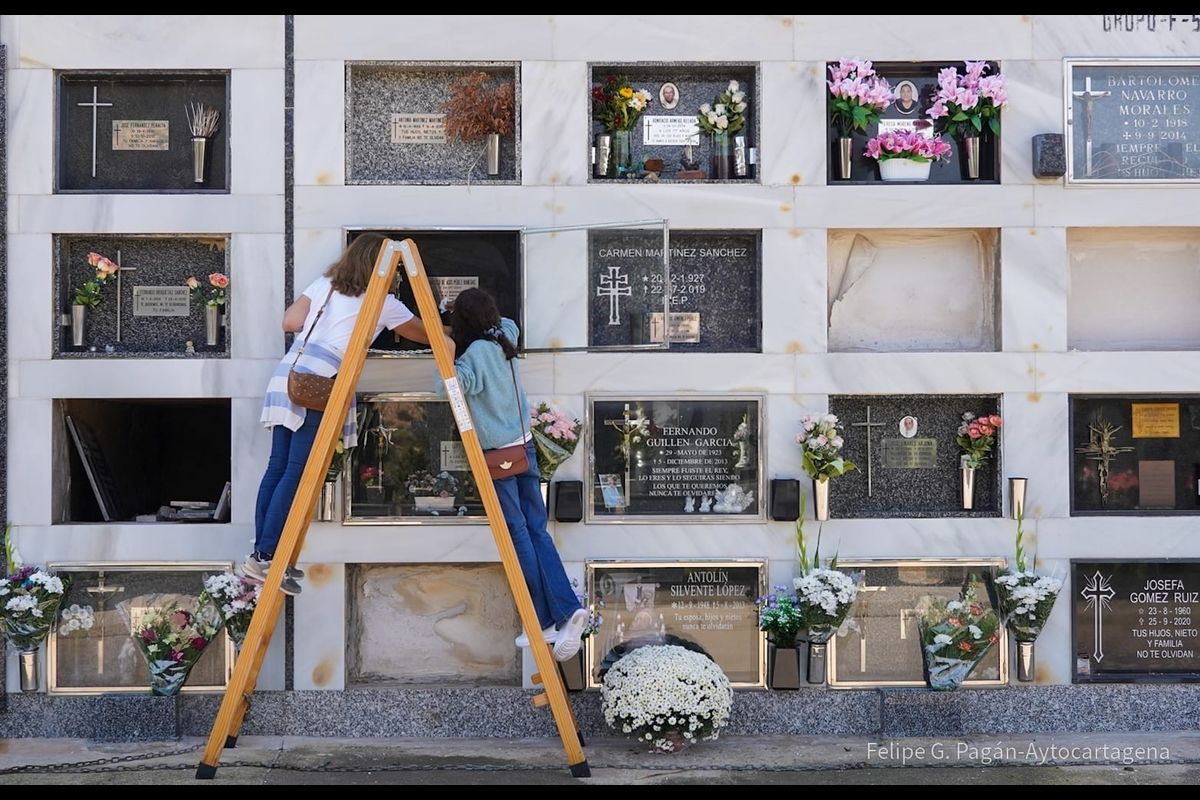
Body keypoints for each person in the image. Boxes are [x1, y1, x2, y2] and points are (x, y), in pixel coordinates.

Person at [246, 232, 451, 595]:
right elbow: (426, 334)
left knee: (277, 466)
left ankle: (261, 556)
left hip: (288, 373)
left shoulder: (324, 282)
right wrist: (459, 330)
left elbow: (290, 323)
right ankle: (267, 557)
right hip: (319, 382)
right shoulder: (383, 303)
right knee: (296, 471)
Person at [442, 287, 589, 661]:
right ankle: (567, 610)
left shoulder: (473, 355)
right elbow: (504, 321)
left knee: (517, 532)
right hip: (525, 447)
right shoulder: (506, 333)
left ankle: (542, 618)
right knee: (537, 529)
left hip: (498, 455)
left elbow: (453, 389)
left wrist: (446, 346)